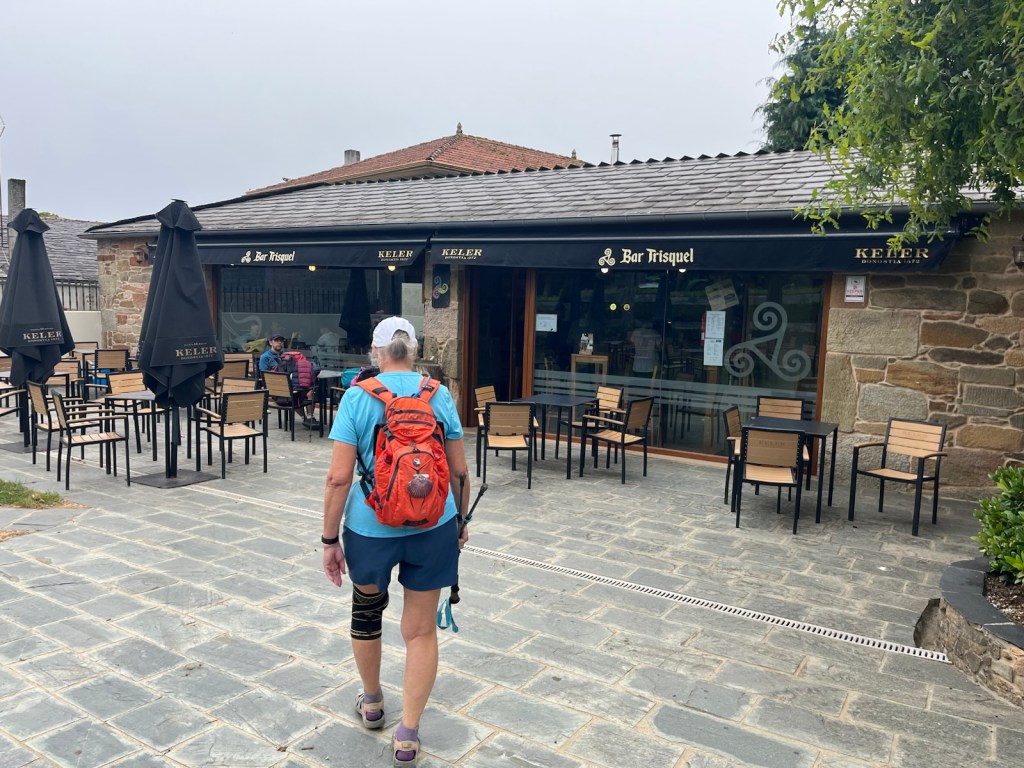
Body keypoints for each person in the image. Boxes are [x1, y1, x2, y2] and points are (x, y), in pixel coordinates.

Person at [321, 316, 468, 767]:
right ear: (415, 350)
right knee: (420, 631)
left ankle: (372, 702)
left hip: (370, 528)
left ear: (375, 351)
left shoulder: (356, 397)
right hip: (434, 524)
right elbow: (459, 471)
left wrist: (329, 539)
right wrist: (460, 521)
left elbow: (338, 478)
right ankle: (407, 734)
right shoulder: (439, 394)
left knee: (367, 613)